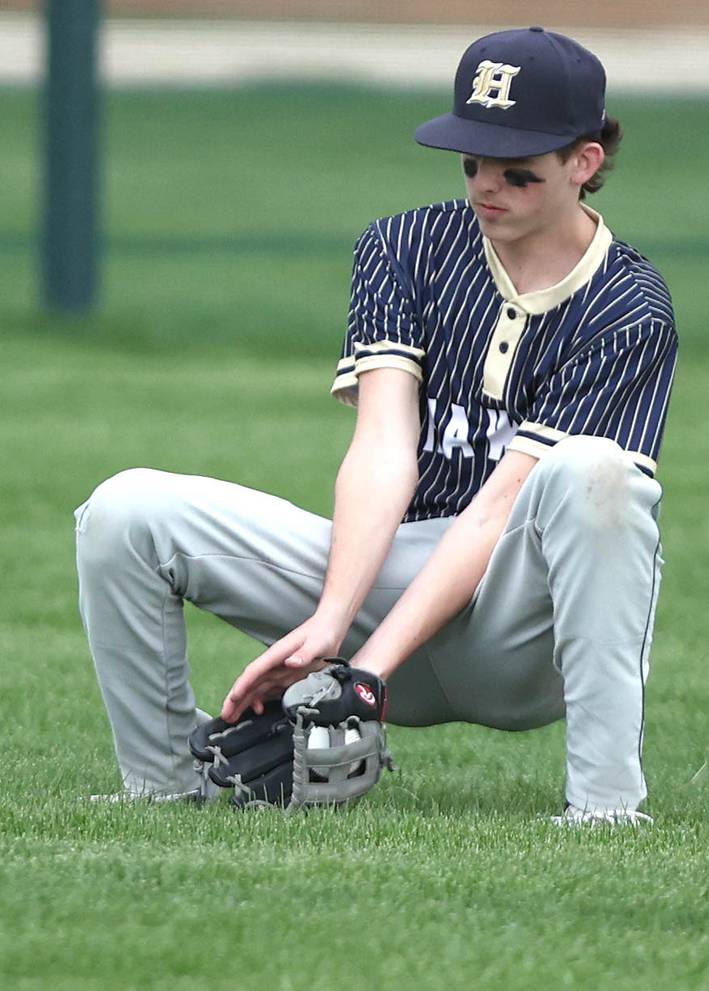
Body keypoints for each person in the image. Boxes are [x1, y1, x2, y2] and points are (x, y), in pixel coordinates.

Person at [75, 27, 677, 823]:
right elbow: (384, 448)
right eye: (470, 161)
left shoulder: (629, 308)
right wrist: (331, 625)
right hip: (386, 578)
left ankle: (605, 809)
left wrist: (364, 675)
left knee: (599, 475)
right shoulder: (405, 247)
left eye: (517, 172)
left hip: (525, 626)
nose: (485, 187)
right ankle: (161, 787)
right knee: (128, 510)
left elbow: (502, 508)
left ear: (584, 163)